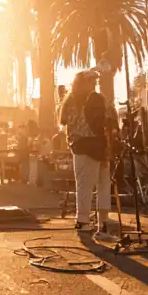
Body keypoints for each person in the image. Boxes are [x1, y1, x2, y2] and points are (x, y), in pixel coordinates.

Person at [59, 70, 118, 243]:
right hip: (96, 144)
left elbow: (64, 122)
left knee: (86, 184)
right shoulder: (97, 99)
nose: (94, 83)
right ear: (84, 82)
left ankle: (86, 221)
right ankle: (98, 223)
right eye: (91, 80)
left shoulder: (69, 101)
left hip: (80, 146)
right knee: (101, 184)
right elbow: (111, 116)